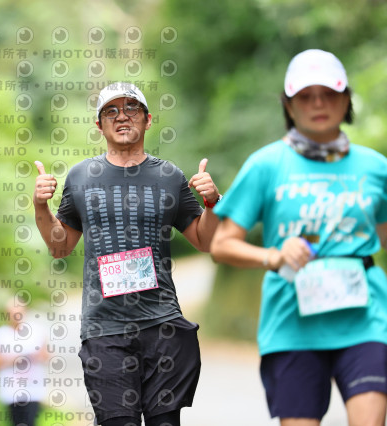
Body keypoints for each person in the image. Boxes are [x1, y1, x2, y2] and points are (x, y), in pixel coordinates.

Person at [210, 49, 387, 426]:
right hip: (292, 323)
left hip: (367, 318)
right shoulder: (266, 164)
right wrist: (273, 256)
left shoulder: (375, 167)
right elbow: (221, 245)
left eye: (329, 94)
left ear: (347, 99)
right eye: (306, 96)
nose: (318, 104)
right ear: (288, 105)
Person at [33, 82, 220, 426]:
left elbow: (204, 241)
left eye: (132, 108)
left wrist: (212, 204)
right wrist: (40, 206)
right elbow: (60, 247)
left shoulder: (169, 176)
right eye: (111, 111)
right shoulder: (81, 176)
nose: (122, 116)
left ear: (148, 120)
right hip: (105, 329)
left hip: (163, 324)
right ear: (99, 124)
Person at [0, 300, 48, 426]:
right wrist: (14, 359)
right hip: (11, 389)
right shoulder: (0, 335)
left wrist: (33, 355)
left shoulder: (37, 331)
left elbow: (47, 356)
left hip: (33, 387)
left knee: (30, 421)